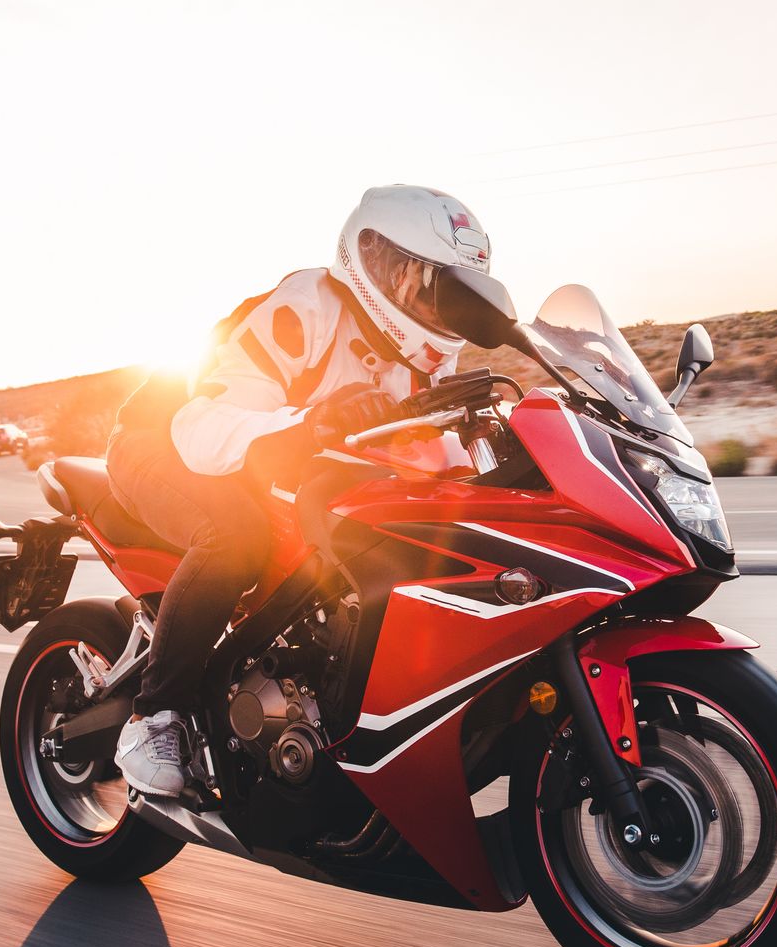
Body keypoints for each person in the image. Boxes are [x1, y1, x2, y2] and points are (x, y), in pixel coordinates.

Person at [107, 185, 492, 796]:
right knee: (237, 537)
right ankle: (155, 716)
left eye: (446, 287)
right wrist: (313, 424)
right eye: (420, 280)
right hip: (164, 440)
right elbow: (203, 428)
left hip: (264, 458)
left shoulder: (423, 353)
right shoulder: (307, 307)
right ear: (379, 261)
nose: (431, 301)